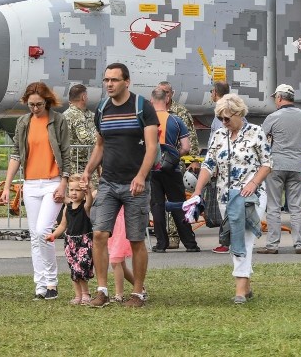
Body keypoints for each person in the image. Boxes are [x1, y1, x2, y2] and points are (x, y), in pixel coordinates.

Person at [84, 63, 159, 308]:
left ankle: (137, 293)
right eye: (106, 80)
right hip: (108, 182)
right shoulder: (102, 108)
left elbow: (152, 147)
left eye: (114, 80)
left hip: (135, 184)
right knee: (99, 234)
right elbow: (100, 145)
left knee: (136, 239)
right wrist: (87, 171)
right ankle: (102, 291)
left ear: (127, 81)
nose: (109, 84)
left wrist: (140, 176)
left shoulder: (142, 107)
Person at [190, 93, 271, 304]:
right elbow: (208, 165)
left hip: (251, 196)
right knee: (234, 236)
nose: (224, 122)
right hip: (225, 196)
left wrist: (253, 183)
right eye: (220, 119)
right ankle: (246, 283)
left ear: (238, 113)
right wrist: (197, 192)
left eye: (226, 118)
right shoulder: (218, 135)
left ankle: (240, 288)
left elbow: (267, 163)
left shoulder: (256, 132)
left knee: (243, 237)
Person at [1, 82, 70, 300]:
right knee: (34, 236)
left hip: (53, 182)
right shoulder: (24, 121)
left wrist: (63, 183)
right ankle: (40, 285)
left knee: (43, 231)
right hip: (30, 183)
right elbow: (16, 154)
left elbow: (66, 154)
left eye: (39, 104)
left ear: (47, 102)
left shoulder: (58, 120)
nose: (35, 108)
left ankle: (52, 281)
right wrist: (6, 185)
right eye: (31, 105)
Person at [258, 84, 301, 254]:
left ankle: (272, 245)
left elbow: (261, 140)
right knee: (296, 207)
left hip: (277, 165)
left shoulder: (273, 117)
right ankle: (300, 244)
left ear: (279, 98)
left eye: (275, 98)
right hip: (297, 165)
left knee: (273, 206)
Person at [149, 87, 199, 253]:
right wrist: (174, 154)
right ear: (166, 100)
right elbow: (186, 147)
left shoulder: (145, 120)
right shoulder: (176, 120)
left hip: (151, 167)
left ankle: (161, 243)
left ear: (151, 101)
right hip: (171, 168)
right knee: (178, 204)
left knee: (157, 205)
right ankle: (190, 243)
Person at [45, 173, 93, 305]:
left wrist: (87, 190)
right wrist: (53, 235)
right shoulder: (67, 207)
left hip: (84, 241)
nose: (74, 193)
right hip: (70, 242)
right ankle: (78, 295)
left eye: (78, 190)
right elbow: (62, 225)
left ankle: (85, 294)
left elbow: (89, 201)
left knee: (81, 268)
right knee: (73, 268)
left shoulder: (85, 206)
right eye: (71, 190)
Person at [207, 81, 231, 254]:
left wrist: (212, 164)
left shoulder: (220, 116)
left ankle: (226, 242)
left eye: (211, 91)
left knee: (226, 206)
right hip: (228, 166)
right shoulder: (233, 112)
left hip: (224, 168)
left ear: (215, 93)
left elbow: (216, 143)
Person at [64, 84, 97, 176]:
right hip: (78, 165)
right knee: (88, 188)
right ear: (84, 97)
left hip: (82, 163)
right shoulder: (75, 116)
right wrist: (103, 142)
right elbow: (86, 139)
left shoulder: (84, 114)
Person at [107, 206, 136, 303]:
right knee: (121, 264)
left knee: (115, 260)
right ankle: (140, 287)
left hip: (121, 224)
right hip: (111, 224)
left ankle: (119, 295)